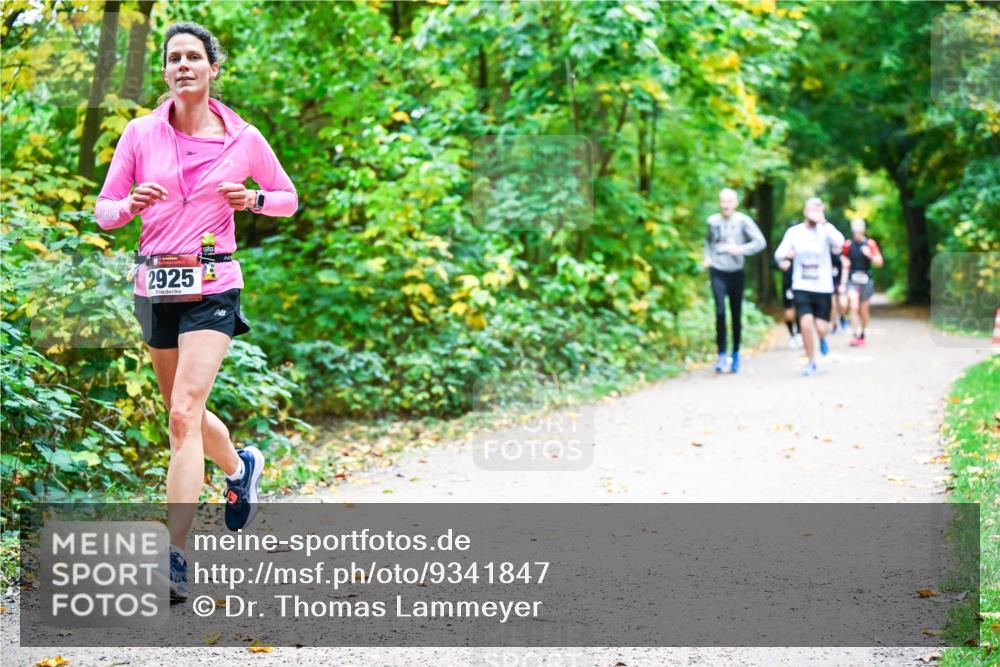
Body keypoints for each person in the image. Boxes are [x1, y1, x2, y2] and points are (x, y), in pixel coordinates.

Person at [94, 22, 297, 601]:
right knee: (181, 410)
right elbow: (104, 211)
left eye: (194, 57)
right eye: (173, 57)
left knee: (182, 415)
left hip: (213, 283)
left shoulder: (244, 139)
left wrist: (253, 198)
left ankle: (174, 554)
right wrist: (128, 204)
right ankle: (240, 469)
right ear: (165, 71)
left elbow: (287, 198)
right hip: (156, 283)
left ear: (212, 68)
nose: (183, 65)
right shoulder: (139, 134)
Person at [773, 197, 845, 376]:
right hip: (801, 285)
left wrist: (825, 223)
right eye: (813, 209)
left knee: (821, 327)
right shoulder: (794, 232)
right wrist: (783, 259)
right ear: (805, 211)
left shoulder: (826, 230)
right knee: (805, 323)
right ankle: (811, 362)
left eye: (819, 210)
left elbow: (840, 243)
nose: (816, 213)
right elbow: (779, 254)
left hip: (823, 286)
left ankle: (822, 338)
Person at [703, 188, 766, 373]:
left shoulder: (743, 221)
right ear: (719, 202)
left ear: (736, 203)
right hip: (717, 270)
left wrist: (740, 249)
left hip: (736, 272)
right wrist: (707, 257)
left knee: (735, 313)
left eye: (729, 201)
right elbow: (708, 242)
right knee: (720, 312)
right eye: (723, 201)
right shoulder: (712, 221)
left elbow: (760, 242)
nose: (726, 205)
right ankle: (721, 354)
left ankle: (736, 353)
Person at [841, 218, 884, 346]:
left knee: (864, 309)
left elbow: (879, 262)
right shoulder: (848, 245)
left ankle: (863, 334)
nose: (857, 234)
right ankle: (854, 334)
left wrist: (869, 255)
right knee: (853, 306)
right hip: (852, 279)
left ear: (863, 231)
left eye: (859, 232)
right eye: (855, 232)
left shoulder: (870, 244)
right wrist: (844, 262)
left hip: (866, 279)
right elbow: (843, 259)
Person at [778, 256, 802, 349]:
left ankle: (799, 334)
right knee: (788, 314)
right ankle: (792, 335)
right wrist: (781, 263)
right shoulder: (783, 251)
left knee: (801, 311)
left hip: (801, 285)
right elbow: (774, 261)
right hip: (788, 286)